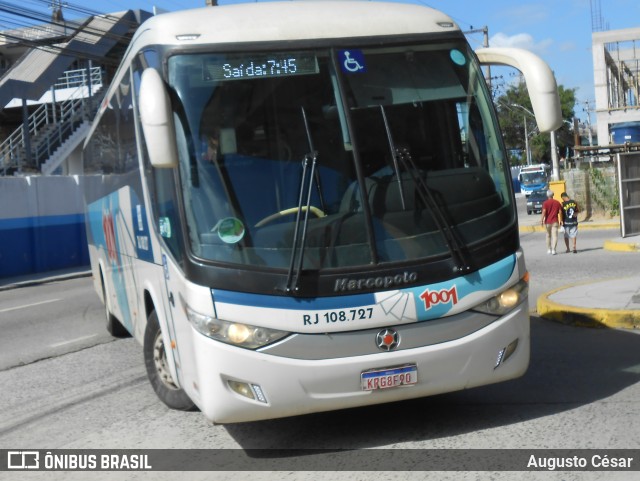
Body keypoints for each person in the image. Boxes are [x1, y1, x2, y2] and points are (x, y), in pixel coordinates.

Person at [541, 189, 562, 255]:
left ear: (547, 195)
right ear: (553, 195)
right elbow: (560, 212)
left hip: (547, 222)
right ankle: (554, 250)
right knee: (555, 236)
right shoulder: (557, 202)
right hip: (555, 221)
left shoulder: (545, 203)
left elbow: (544, 212)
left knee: (548, 236)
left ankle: (549, 249)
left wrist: (541, 220)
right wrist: (561, 220)